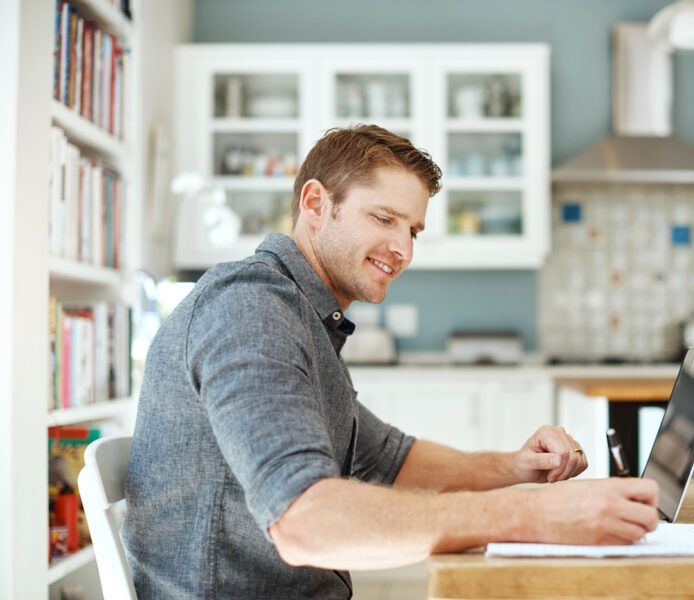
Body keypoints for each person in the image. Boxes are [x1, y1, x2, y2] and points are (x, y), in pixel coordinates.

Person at [123, 125, 659, 599]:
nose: (402, 248)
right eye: (384, 218)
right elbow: (304, 522)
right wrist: (534, 517)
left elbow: (386, 459)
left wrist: (517, 469)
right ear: (314, 203)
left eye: (413, 231)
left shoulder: (300, 313)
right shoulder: (249, 308)